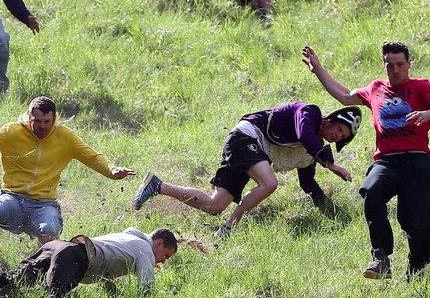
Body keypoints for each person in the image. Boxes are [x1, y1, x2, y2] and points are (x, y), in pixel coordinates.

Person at [0, 96, 135, 245]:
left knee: (50, 236)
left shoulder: (65, 137)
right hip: (12, 197)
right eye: (37, 121)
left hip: (44, 204)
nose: (42, 127)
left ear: (55, 118)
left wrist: (113, 170)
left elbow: (92, 157)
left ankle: (42, 270)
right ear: (29, 117)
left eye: (47, 121)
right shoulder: (12, 132)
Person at [134, 102, 360, 238]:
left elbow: (308, 185)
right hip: (245, 137)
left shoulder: (312, 152)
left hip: (252, 151)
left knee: (214, 205)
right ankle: (229, 227)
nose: (337, 135)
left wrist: (334, 214)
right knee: (270, 183)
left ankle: (158, 185)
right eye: (339, 129)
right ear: (330, 120)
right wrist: (330, 164)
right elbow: (304, 133)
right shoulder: (310, 113)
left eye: (343, 137)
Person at [303, 42, 430, 279]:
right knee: (371, 190)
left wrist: (428, 113)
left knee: (414, 221)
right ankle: (380, 257)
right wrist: (318, 69)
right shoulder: (376, 88)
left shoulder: (422, 87)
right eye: (390, 65)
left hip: (417, 161)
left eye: (400, 64)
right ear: (384, 66)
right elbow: (344, 96)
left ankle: (417, 265)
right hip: (387, 162)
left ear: (409, 64)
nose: (396, 70)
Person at [0, 227, 178, 298]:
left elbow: (108, 276)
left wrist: (113, 294)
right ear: (158, 244)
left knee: (13, 283)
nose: (162, 262)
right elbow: (146, 291)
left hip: (59, 247)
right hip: (76, 258)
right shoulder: (146, 251)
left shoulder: (130, 238)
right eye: (165, 256)